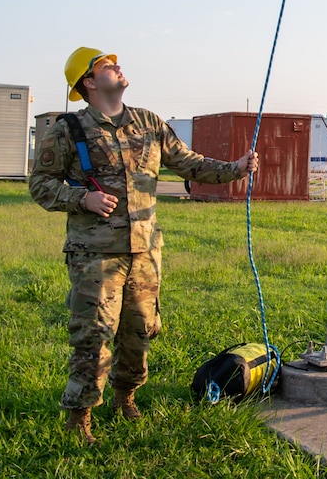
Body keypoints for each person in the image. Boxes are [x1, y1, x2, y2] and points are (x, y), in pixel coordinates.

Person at [29, 47, 259, 444]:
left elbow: (187, 162)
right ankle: (78, 417)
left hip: (145, 251)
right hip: (95, 254)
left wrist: (234, 169)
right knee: (94, 335)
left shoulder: (148, 122)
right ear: (88, 82)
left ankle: (125, 397)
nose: (117, 67)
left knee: (140, 332)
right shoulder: (70, 130)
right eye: (106, 65)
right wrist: (81, 199)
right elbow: (39, 183)